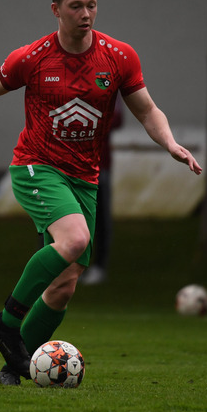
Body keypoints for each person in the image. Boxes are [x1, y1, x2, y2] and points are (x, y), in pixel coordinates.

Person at [0, 0, 202, 385]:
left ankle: (13, 369)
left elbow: (147, 110)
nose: (86, 13)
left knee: (65, 285)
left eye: (91, 5)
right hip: (36, 166)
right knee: (74, 241)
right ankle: (6, 323)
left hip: (83, 178)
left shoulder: (119, 57)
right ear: (56, 10)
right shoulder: (32, 58)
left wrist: (171, 143)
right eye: (76, 6)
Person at [80, 105, 121, 286]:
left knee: (99, 218)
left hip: (97, 164)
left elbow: (117, 118)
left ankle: (98, 266)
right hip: (64, 166)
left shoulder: (108, 81)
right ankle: (66, 266)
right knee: (60, 217)